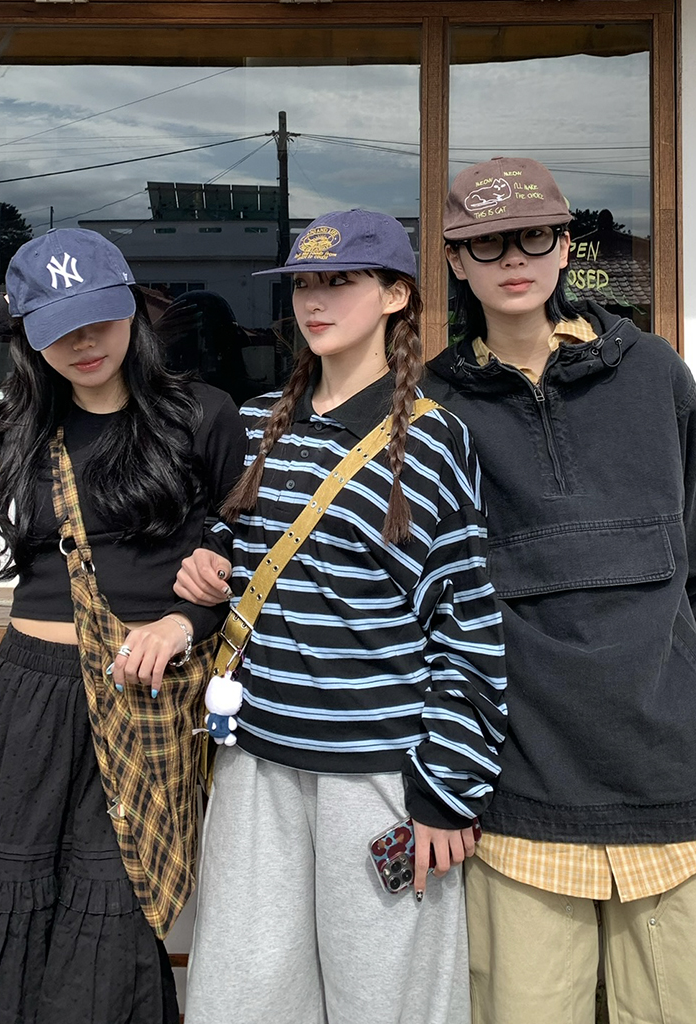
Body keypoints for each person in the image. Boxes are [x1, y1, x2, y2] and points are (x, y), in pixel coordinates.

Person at [0, 228, 246, 1024]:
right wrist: (2, 311)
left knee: (112, 899)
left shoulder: (202, 414)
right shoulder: (16, 424)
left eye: (97, 317)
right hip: (26, 693)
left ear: (131, 310)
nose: (84, 342)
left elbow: (243, 548)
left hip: (139, 691)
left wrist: (185, 618)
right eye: (60, 327)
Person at [422, 157, 696, 1024]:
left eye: (534, 235)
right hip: (521, 789)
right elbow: (431, 594)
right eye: (487, 242)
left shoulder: (653, 373)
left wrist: (678, 666)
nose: (513, 257)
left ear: (566, 245)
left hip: (672, 777)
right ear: (455, 260)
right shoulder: (432, 407)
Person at [172, 209, 508, 1024]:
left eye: (340, 282)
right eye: (303, 286)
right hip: (254, 762)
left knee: (388, 1003)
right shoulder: (255, 423)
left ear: (396, 295)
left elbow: (467, 623)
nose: (315, 302)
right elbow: (229, 541)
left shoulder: (434, 441)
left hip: (380, 774)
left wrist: (447, 790)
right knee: (243, 1001)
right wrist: (204, 567)